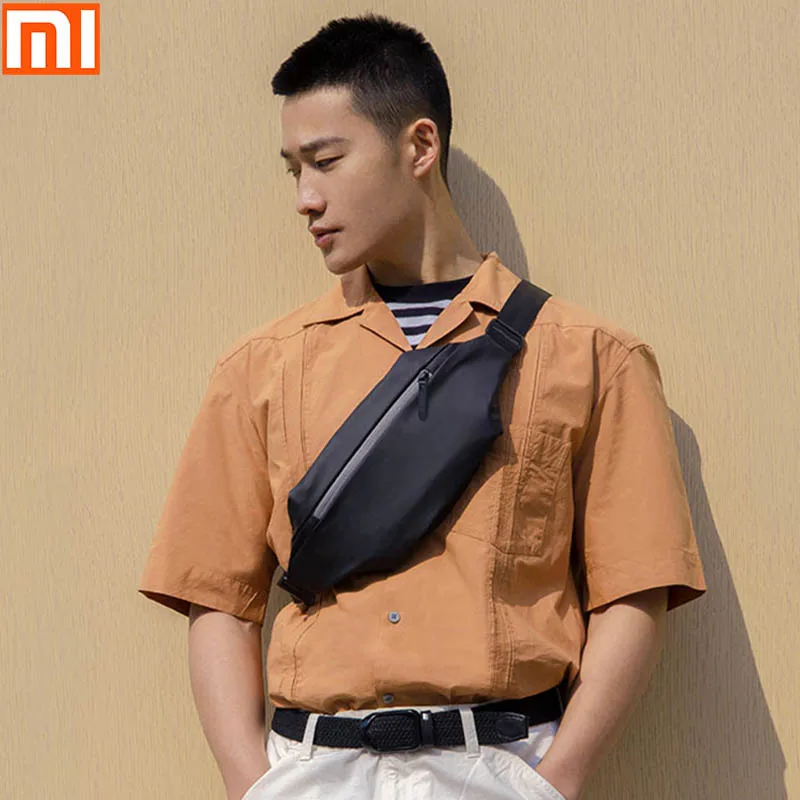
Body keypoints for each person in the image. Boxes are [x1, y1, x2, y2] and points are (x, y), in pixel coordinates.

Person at [138, 12, 707, 800]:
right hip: (314, 770)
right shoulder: (260, 369)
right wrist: (251, 784)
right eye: (293, 170)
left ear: (419, 147)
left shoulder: (591, 358)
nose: (305, 198)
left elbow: (633, 590)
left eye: (326, 161)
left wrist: (558, 780)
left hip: (500, 766)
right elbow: (219, 601)